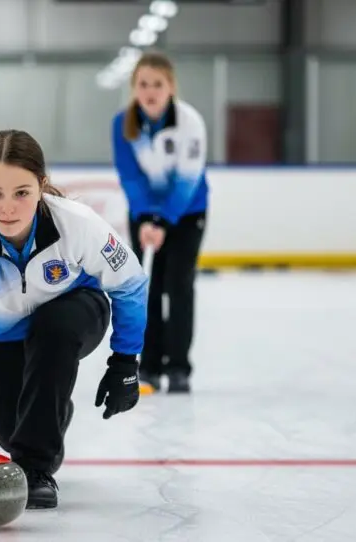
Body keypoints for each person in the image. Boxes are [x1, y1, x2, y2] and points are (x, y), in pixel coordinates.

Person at [0, 129, 149, 510]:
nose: (7, 208)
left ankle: (35, 470)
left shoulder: (77, 223)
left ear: (42, 186)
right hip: (3, 333)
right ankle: (51, 411)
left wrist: (125, 362)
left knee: (55, 330)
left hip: (76, 311)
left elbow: (130, 285)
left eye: (22, 193)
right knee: (10, 433)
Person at [111, 51, 209, 395]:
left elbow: (188, 181)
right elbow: (131, 178)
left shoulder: (190, 123)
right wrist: (147, 218)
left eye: (157, 84)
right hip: (143, 216)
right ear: (134, 88)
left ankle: (179, 367)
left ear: (170, 88)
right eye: (143, 84)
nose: (150, 91)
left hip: (187, 214)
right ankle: (149, 366)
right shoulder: (123, 124)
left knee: (178, 287)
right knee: (146, 289)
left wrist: (163, 221)